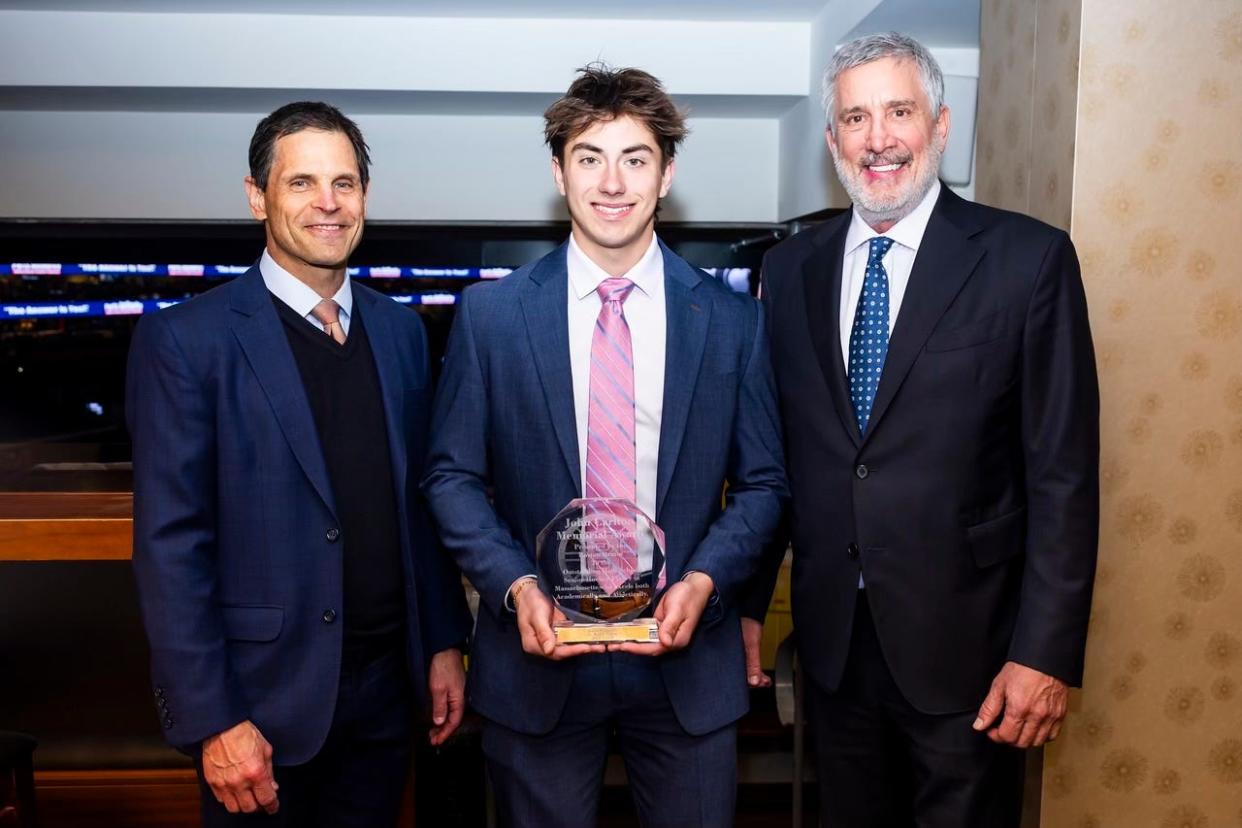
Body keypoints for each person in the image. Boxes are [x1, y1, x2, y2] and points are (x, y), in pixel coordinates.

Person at [748, 32, 1099, 827]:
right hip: (835, 649)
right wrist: (745, 603)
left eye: (898, 111)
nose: (878, 138)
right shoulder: (790, 270)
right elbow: (782, 453)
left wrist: (1043, 653)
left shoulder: (1027, 261)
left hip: (972, 652)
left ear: (941, 124)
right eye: (855, 117)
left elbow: (1063, 477)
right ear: (831, 139)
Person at [421, 65, 787, 828]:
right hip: (538, 659)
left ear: (667, 174)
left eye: (635, 158)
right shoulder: (491, 317)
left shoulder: (731, 322)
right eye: (589, 158)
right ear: (559, 173)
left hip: (686, 662)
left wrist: (709, 580)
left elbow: (764, 486)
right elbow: (451, 477)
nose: (612, 182)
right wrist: (516, 586)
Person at [127, 101, 471, 826]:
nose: (327, 204)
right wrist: (213, 719)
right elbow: (171, 549)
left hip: (385, 696)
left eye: (345, 184)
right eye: (302, 183)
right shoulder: (187, 342)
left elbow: (419, 505)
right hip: (259, 707)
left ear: (365, 198)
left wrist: (441, 644)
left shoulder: (401, 332)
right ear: (257, 196)